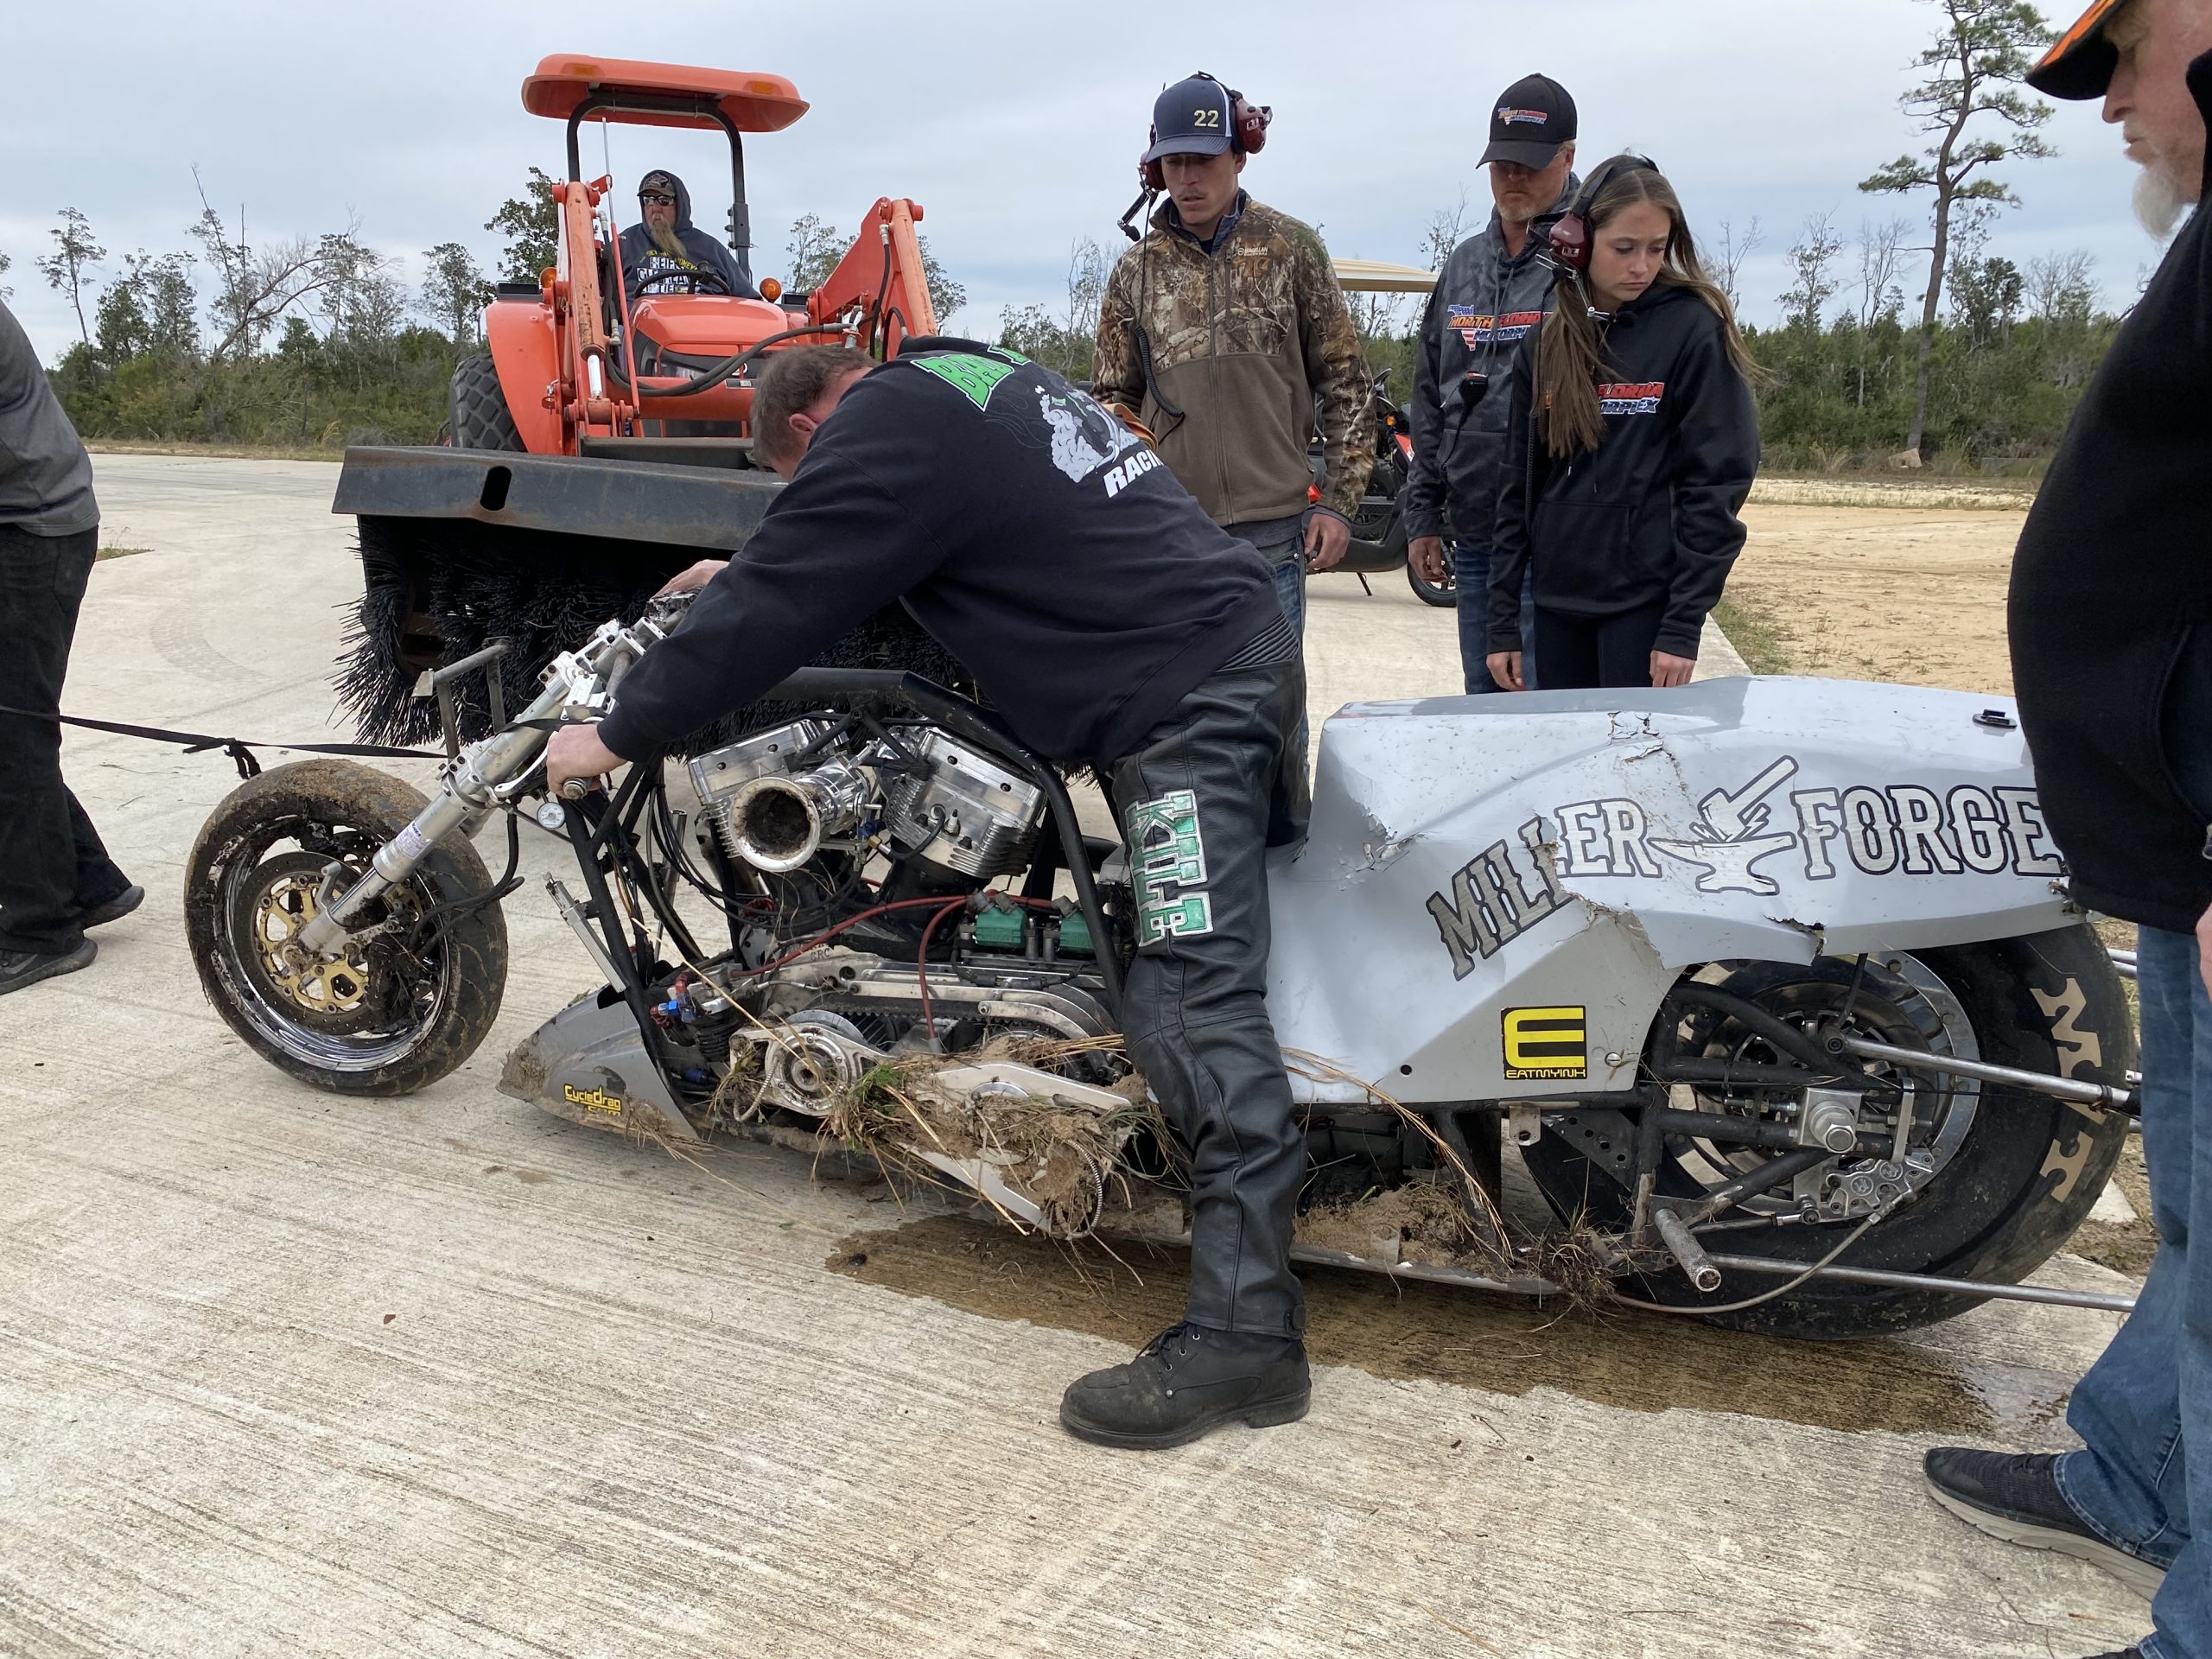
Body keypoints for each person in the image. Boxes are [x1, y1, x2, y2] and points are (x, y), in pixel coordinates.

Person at [546, 342, 1314, 1450]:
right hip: (1224, 648)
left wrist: (617, 736)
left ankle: (1250, 1340)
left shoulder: (882, 426)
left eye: (794, 484)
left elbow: (794, 592)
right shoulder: (958, 380)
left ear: (808, 431)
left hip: (1187, 699)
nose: (807, 495)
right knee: (1188, 948)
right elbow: (900, 536)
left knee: (1192, 999)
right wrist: (749, 568)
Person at [1924, 7, 2212, 1658]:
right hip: (2173, 849)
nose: (2108, 103)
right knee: (2197, 1207)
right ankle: (2143, 1480)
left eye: (2128, 57)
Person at [1092, 71, 1374, 658]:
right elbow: (1109, 401)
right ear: (1154, 171)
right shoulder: (1134, 272)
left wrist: (1342, 505)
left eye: (1204, 159)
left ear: (1239, 155)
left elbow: (1347, 383)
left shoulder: (1292, 249)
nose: (1189, 178)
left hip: (1274, 539)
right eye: (1173, 164)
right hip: (1172, 539)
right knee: (1182, 715)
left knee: (1274, 716)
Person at [1484, 158, 1759, 693]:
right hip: (1558, 605)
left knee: (1635, 770)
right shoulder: (1546, 344)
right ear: (1580, 244)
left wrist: (1682, 626)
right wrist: (1501, 623)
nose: (1642, 266)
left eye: (1657, 248)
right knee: (1569, 765)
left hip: (1644, 611)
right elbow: (1517, 492)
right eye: (1625, 248)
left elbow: (1716, 486)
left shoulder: (1694, 330)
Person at [1405, 73, 1582, 694]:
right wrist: (1422, 513)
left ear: (1568, 157)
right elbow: (1430, 393)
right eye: (1501, 162)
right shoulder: (1464, 265)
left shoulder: (1594, 259)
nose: (1513, 177)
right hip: (1474, 534)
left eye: (1530, 163)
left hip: (1555, 545)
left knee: (1542, 723)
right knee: (1482, 715)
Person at [0, 298, 142, 997]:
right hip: (25, 527)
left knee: (12, 732)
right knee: (12, 727)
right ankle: (88, 880)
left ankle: (41, 932)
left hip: (34, 532)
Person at [617, 169, 755, 302]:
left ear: (680, 205)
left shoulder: (712, 250)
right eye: (649, 201)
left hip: (702, 323)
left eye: (665, 201)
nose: (656, 209)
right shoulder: (624, 245)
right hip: (639, 324)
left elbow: (749, 302)